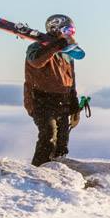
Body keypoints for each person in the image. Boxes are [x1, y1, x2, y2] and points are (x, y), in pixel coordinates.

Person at [24, 14, 80, 166]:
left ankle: (56, 169)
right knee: (49, 135)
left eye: (72, 31)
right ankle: (38, 171)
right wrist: (57, 45)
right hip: (41, 100)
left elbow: (70, 80)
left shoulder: (67, 54)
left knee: (62, 141)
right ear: (55, 29)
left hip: (63, 101)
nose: (70, 34)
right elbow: (36, 62)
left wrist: (75, 107)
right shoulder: (36, 47)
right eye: (67, 30)